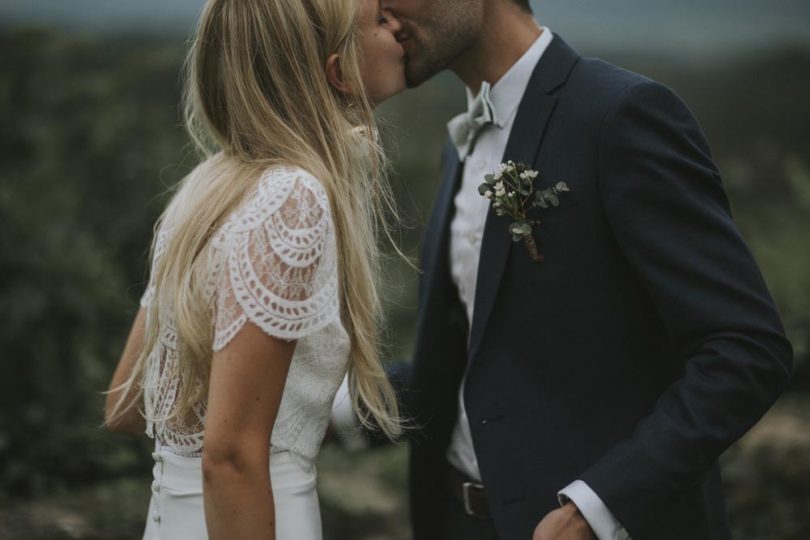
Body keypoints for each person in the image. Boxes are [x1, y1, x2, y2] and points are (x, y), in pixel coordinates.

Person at [378, 0, 794, 538]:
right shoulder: (461, 145)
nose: (377, 8)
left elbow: (747, 348)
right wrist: (318, 398)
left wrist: (599, 506)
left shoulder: (620, 113)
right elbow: (480, 362)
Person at [103, 0, 407, 538]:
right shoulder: (293, 196)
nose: (397, 24)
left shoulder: (209, 185)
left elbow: (126, 403)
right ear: (338, 72)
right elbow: (231, 459)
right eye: (379, 20)